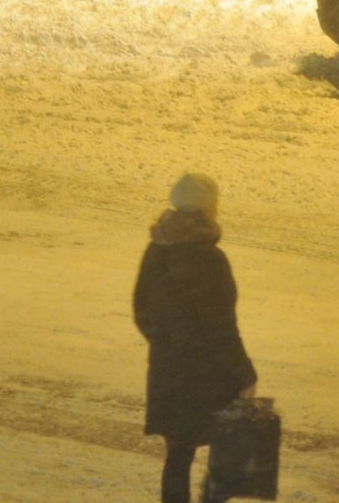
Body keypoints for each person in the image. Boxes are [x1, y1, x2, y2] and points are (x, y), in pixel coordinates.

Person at [133, 172, 258, 503]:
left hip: (169, 372)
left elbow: (141, 311)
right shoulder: (210, 259)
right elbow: (223, 328)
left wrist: (167, 345)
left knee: (178, 454)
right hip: (209, 374)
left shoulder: (156, 251)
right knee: (228, 449)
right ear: (206, 208)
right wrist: (245, 373)